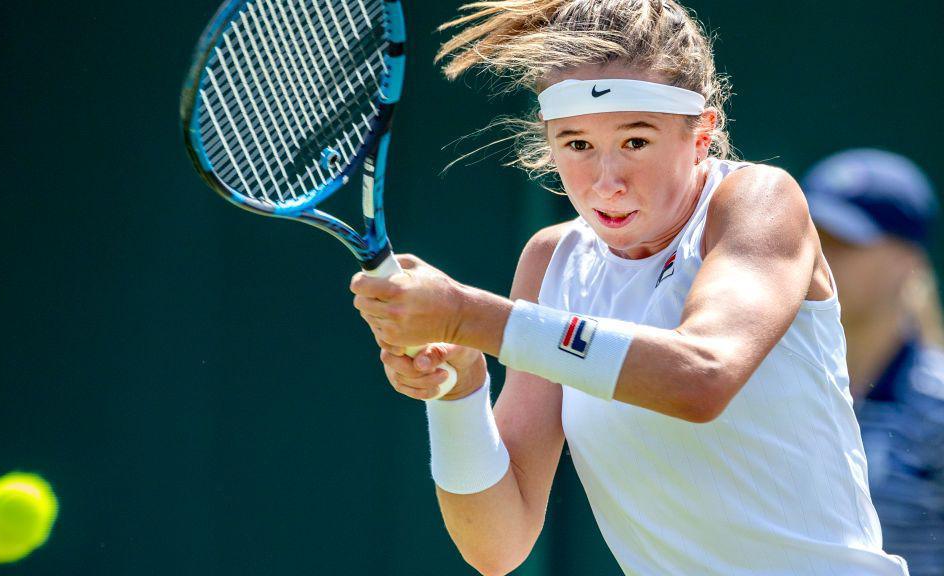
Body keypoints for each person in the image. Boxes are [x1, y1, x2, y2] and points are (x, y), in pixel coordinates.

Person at [350, 1, 910, 573]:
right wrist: (459, 389)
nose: (606, 180)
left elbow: (702, 377)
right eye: (577, 145)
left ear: (701, 136)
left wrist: (469, 317)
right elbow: (498, 544)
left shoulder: (757, 201)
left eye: (635, 142)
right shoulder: (552, 260)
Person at [802, 149, 944, 576]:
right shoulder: (765, 379)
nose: (819, 256)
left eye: (846, 242)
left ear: (907, 262)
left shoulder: (937, 404)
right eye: (812, 236)